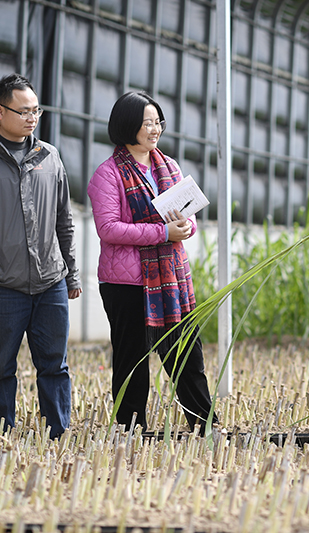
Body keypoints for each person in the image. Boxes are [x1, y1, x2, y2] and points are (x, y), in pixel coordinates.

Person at [0, 73, 81, 439]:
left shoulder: (50, 156)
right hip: (1, 286)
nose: (31, 117)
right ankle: (1, 434)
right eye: (23, 110)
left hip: (50, 283)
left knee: (55, 365)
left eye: (36, 110)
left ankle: (58, 432)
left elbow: (64, 221)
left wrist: (71, 274)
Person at [87, 91, 217, 433]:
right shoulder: (108, 174)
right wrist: (163, 233)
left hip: (171, 278)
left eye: (158, 121)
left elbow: (189, 216)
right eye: (148, 122)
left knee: (187, 354)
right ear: (128, 125)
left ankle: (205, 425)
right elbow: (109, 229)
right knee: (132, 361)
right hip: (126, 283)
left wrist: (185, 227)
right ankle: (130, 430)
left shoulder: (168, 166)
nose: (155, 129)